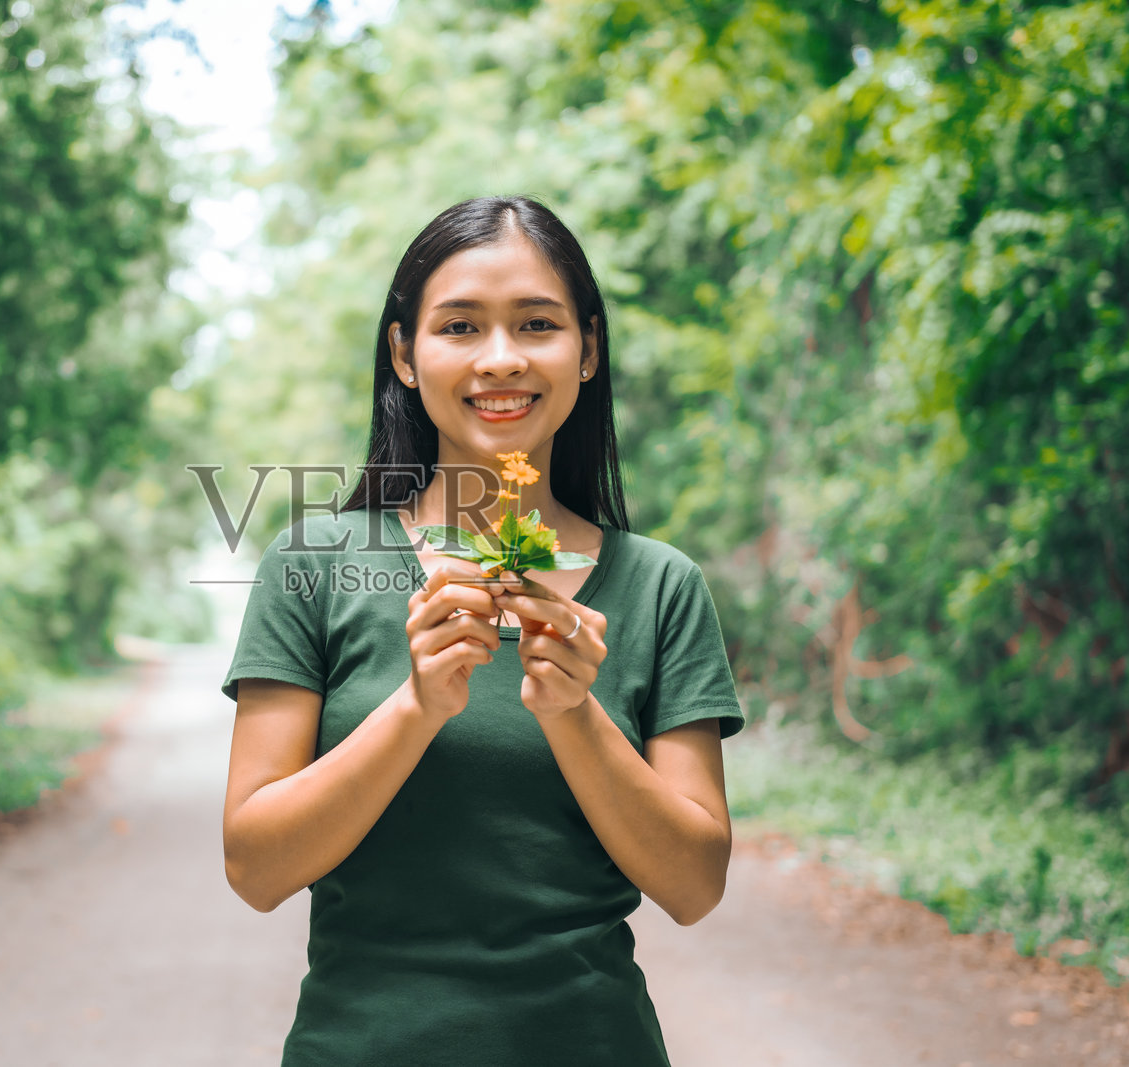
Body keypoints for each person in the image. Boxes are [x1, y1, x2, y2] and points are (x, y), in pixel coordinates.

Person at [220, 195, 743, 1066]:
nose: (501, 358)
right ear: (404, 354)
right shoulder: (314, 562)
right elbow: (256, 868)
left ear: (588, 349)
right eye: (460, 326)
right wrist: (417, 706)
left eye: (537, 323)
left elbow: (693, 885)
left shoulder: (659, 585)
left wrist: (575, 711)